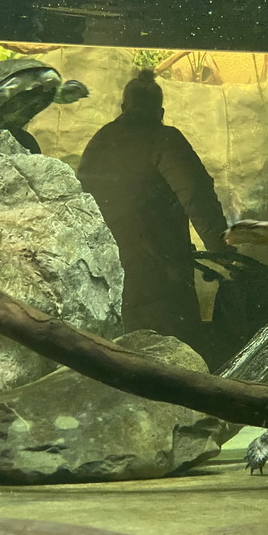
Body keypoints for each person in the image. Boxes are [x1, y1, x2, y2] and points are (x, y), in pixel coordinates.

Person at [77, 69, 230, 352]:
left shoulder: (99, 141)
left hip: (102, 271)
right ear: (160, 111)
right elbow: (197, 197)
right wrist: (223, 250)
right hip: (158, 272)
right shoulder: (165, 140)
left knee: (120, 356)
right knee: (173, 358)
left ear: (124, 107)